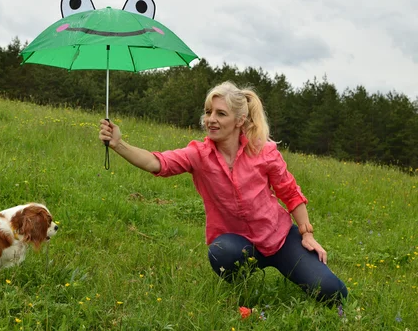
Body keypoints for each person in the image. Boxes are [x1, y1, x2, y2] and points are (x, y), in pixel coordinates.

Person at [98, 81, 347, 303]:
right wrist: (119, 144)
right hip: (237, 244)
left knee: (334, 293)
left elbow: (290, 192)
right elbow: (157, 162)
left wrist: (306, 234)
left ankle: (294, 268)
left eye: (220, 113)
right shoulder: (198, 154)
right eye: (208, 112)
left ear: (239, 120)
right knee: (222, 251)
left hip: (279, 239)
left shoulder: (264, 151)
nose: (211, 119)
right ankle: (243, 290)